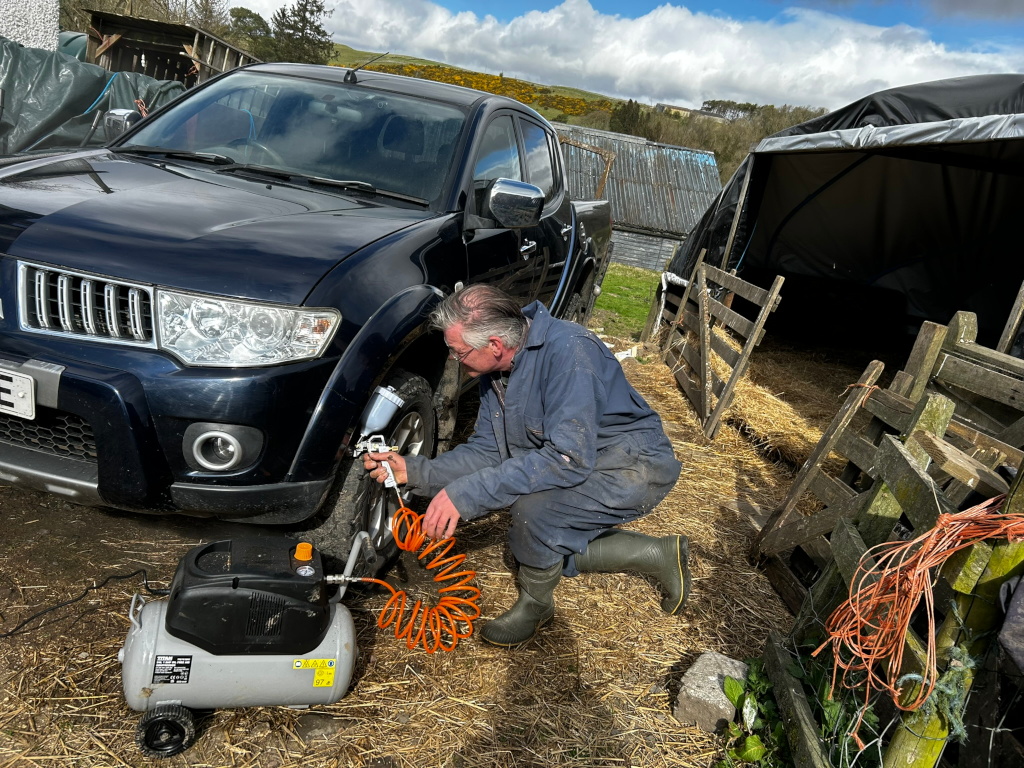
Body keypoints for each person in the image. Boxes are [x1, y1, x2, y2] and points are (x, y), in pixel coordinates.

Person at [363, 284, 690, 647]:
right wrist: (419, 471)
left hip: (630, 463)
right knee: (540, 529)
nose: (454, 360)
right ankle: (658, 553)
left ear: (495, 346)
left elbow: (567, 457)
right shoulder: (497, 370)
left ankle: (536, 606)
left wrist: (465, 494)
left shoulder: (570, 352)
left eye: (457, 351)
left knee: (534, 514)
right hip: (586, 456)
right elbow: (490, 450)